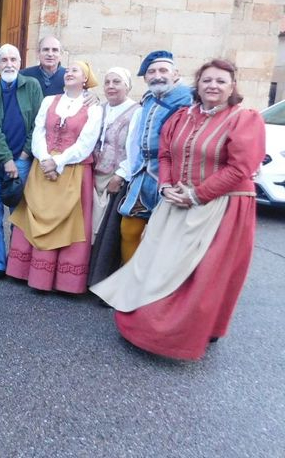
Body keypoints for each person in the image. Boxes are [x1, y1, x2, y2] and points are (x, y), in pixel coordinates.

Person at [92, 59, 265, 360]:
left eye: (221, 81)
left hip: (223, 206)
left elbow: (241, 168)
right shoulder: (183, 116)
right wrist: (166, 186)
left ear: (232, 87)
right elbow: (165, 154)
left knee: (203, 273)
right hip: (177, 200)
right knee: (160, 263)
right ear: (196, 84)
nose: (213, 86)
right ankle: (148, 324)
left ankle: (190, 332)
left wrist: (198, 195)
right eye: (207, 80)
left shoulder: (244, 119)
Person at [5, 61, 102, 293]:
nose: (69, 72)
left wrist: (57, 162)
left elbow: (86, 143)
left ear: (85, 79)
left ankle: (63, 281)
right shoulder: (50, 101)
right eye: (67, 70)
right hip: (42, 167)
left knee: (67, 222)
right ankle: (26, 273)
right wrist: (44, 157)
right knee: (35, 215)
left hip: (72, 170)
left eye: (75, 71)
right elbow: (38, 131)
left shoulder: (94, 108)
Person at [0, 44, 43, 285]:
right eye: (3, 60)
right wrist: (7, 160)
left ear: (20, 62)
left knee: (19, 215)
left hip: (22, 161)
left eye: (13, 58)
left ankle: (17, 264)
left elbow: (38, 123)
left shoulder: (32, 87)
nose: (9, 63)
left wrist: (23, 155)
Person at [117, 50, 192, 262]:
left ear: (175, 74)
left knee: (165, 235)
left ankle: (156, 289)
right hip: (143, 171)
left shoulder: (191, 98)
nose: (157, 75)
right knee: (129, 229)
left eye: (163, 70)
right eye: (151, 72)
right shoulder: (149, 97)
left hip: (171, 175)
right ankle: (128, 283)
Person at [87, 67, 139, 286]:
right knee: (90, 228)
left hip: (116, 177)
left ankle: (106, 282)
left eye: (116, 82)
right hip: (94, 173)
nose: (111, 86)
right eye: (107, 82)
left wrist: (121, 174)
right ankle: (87, 277)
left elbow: (135, 148)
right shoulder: (100, 108)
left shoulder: (135, 111)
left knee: (109, 233)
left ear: (127, 86)